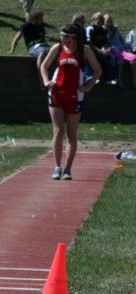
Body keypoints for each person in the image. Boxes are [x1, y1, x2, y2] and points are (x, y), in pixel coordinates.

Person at [40, 23, 101, 181]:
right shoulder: (57, 48)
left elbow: (97, 70)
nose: (62, 38)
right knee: (58, 130)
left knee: (71, 134)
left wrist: (88, 86)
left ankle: (68, 169)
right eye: (61, 36)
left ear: (72, 38)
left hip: (75, 95)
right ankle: (57, 167)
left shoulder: (84, 50)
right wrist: (46, 81)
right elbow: (44, 65)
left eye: (64, 36)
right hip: (56, 93)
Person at [103, 14, 136, 87]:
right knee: (120, 57)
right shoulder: (102, 31)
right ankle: (119, 78)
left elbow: (121, 39)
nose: (109, 23)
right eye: (107, 21)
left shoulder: (115, 29)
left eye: (110, 21)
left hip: (121, 49)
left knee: (134, 57)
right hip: (112, 49)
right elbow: (103, 42)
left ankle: (134, 79)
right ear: (103, 22)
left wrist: (125, 47)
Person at [85, 11, 117, 85]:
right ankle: (106, 78)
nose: (98, 21)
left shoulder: (103, 30)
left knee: (112, 57)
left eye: (100, 19)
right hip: (91, 50)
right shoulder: (90, 29)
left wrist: (106, 48)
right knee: (101, 57)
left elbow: (105, 42)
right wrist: (99, 50)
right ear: (93, 19)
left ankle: (112, 77)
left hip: (100, 50)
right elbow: (89, 43)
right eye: (96, 19)